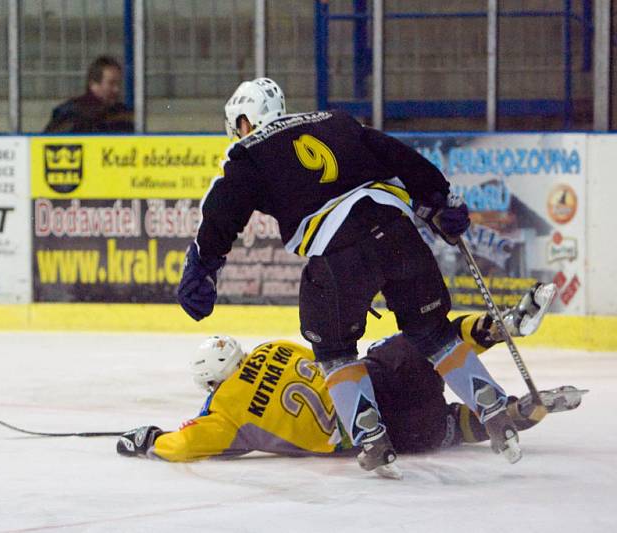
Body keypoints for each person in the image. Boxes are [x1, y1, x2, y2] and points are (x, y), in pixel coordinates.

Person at [177, 78, 529, 477]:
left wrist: (203, 265)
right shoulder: (336, 121)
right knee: (432, 333)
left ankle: (371, 436)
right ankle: (491, 405)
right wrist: (439, 200)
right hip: (399, 234)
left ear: (243, 121)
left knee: (334, 350)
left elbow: (223, 210)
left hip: (339, 254)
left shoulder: (249, 152)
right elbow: (400, 156)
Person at [119, 284, 584, 471]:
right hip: (381, 379)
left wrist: (151, 439)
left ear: (211, 383)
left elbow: (184, 445)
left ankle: (522, 412)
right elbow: (331, 359)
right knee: (430, 339)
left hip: (376, 433)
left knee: (447, 428)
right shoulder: (272, 349)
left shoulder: (224, 414)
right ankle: (499, 326)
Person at [43, 55, 134, 134]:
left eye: (118, 83)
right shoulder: (71, 113)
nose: (116, 89)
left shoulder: (122, 114)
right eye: (111, 83)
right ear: (93, 84)